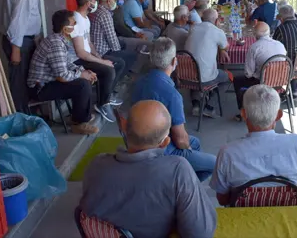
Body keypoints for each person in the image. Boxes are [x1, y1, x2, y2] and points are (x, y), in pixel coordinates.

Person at [80, 100, 217, 238]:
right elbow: (201, 233)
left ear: (123, 126)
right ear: (165, 142)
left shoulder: (96, 165)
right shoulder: (178, 170)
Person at [210, 85, 297, 206]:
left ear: (244, 114)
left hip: (245, 220)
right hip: (287, 219)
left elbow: (222, 199)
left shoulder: (228, 152)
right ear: (278, 115)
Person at [131, 38, 217, 182]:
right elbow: (180, 139)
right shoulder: (172, 94)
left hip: (140, 143)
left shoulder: (139, 82)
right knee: (214, 163)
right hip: (162, 150)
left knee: (195, 142)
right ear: (174, 61)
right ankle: (184, 186)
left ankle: (183, 179)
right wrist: (186, 148)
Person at [27, 10, 98, 135]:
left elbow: (67, 63)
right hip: (40, 88)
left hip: (50, 82)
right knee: (82, 85)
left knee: (84, 79)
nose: (75, 26)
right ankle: (79, 123)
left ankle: (80, 117)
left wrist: (83, 71)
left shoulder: (59, 40)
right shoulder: (56, 44)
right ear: (66, 29)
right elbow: (62, 76)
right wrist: (81, 75)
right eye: (73, 23)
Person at [68, 0, 122, 122]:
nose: (96, 3)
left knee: (118, 63)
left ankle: (107, 97)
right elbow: (81, 53)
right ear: (87, 3)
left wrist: (99, 57)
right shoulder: (76, 19)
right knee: (108, 70)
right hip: (76, 60)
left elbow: (89, 42)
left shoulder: (85, 18)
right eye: (94, 1)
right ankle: (102, 104)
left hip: (86, 56)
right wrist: (102, 62)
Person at [2, 0, 44, 112]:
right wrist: (16, 49)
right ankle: (22, 118)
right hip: (19, 41)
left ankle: (30, 115)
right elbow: (17, 21)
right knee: (19, 83)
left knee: (27, 79)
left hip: (24, 40)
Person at [233, 22, 286, 119]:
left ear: (255, 34)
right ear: (269, 32)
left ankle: (244, 111)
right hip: (279, 81)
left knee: (237, 80)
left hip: (261, 83)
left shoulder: (254, 47)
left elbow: (248, 73)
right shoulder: (280, 44)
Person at [184, 9, 230, 117]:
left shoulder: (193, 28)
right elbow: (225, 46)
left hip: (185, 74)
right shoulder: (217, 31)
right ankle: (208, 106)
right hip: (204, 77)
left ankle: (196, 105)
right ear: (217, 20)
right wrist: (222, 49)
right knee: (227, 78)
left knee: (195, 71)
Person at [89, 0, 136, 81]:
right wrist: (118, 52)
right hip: (101, 50)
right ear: (109, 0)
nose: (116, 1)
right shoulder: (105, 14)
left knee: (123, 44)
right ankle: (116, 81)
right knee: (131, 56)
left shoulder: (97, 10)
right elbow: (111, 38)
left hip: (96, 45)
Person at [273, 4, 297, 100]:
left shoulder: (281, 29)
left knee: (273, 59)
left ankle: (277, 90)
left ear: (281, 18)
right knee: (293, 56)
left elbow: (274, 47)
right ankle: (294, 91)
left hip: (287, 68)